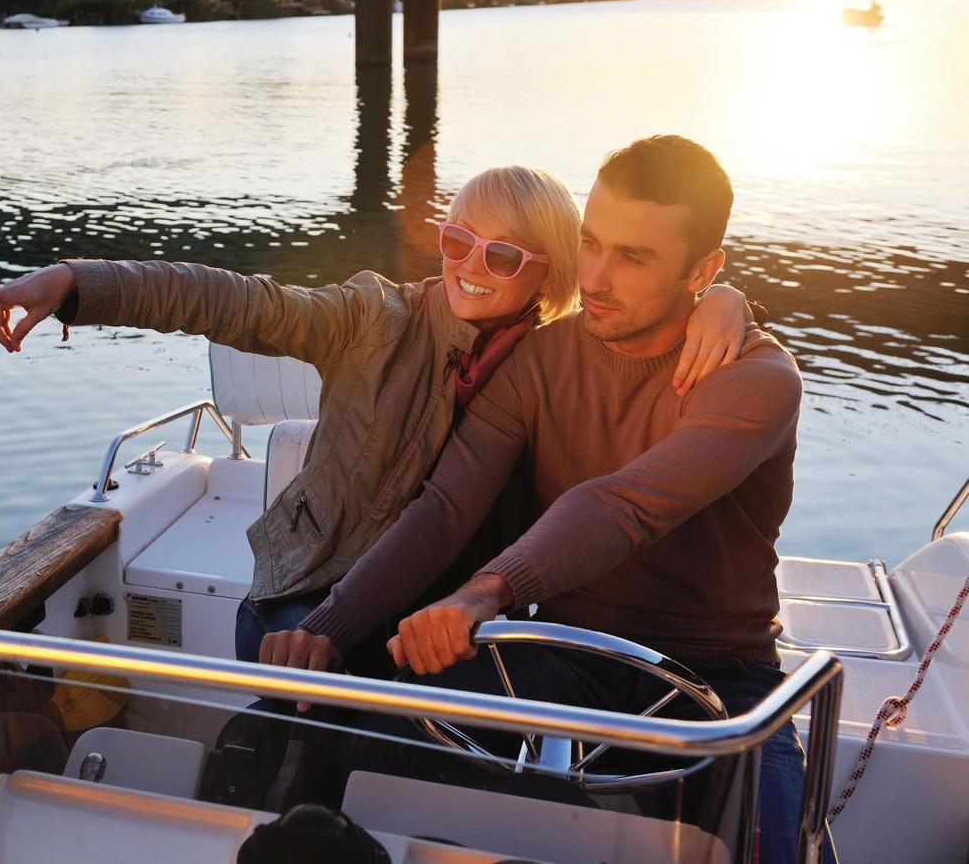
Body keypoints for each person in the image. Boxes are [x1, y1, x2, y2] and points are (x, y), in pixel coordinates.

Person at [0, 166, 755, 666]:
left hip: (445, 609)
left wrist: (725, 300)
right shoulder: (376, 317)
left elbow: (650, 279)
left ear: (548, 275)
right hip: (312, 584)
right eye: (457, 240)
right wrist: (78, 283)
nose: (471, 267)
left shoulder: (552, 360)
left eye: (503, 256)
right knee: (306, 714)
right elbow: (235, 302)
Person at [274, 136, 827, 864]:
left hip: (719, 680)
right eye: (589, 243)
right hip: (551, 655)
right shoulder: (541, 359)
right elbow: (445, 508)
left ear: (703, 271)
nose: (595, 277)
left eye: (633, 257)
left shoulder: (755, 378)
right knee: (333, 750)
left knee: (767, 850)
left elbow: (624, 505)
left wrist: (486, 592)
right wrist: (331, 622)